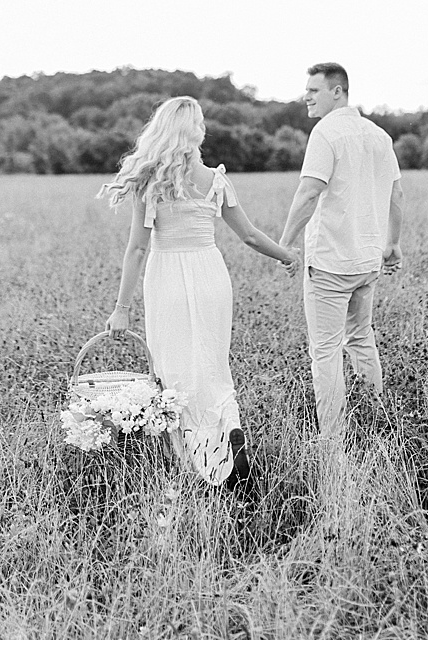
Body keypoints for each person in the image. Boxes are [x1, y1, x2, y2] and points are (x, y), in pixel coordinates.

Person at [100, 97, 299, 492]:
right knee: (211, 365)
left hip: (167, 277)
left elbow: (137, 249)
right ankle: (229, 431)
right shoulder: (216, 181)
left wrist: (121, 309)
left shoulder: (150, 183)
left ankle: (202, 466)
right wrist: (287, 255)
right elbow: (249, 235)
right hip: (210, 275)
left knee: (174, 372)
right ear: (197, 131)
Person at [278, 62, 404, 439]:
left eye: (313, 90)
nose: (306, 97)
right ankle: (375, 418)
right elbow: (396, 194)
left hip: (331, 262)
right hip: (367, 261)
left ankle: (332, 436)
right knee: (361, 338)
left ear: (338, 91)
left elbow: (309, 191)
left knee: (327, 350)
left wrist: (284, 244)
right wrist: (392, 243)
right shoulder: (378, 135)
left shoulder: (326, 132)